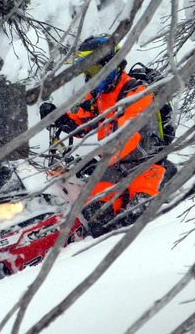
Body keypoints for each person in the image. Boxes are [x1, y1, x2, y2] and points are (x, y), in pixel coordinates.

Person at [42, 35, 176, 237]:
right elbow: (82, 121)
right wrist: (58, 117)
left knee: (138, 218)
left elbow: (125, 137)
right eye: (87, 71)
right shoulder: (99, 95)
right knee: (95, 219)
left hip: (145, 166)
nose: (90, 76)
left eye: (94, 69)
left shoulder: (137, 93)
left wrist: (91, 160)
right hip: (114, 170)